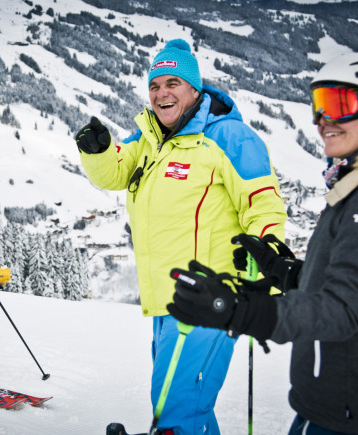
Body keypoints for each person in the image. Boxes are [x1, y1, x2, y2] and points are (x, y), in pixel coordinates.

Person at [167, 52, 358, 435]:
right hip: (339, 400)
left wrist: (240, 311)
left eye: (339, 104)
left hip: (348, 408)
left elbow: (343, 310)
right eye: (319, 106)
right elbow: (351, 286)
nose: (323, 120)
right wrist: (283, 271)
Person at [75, 39, 287, 434]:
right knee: (190, 407)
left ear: (194, 89)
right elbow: (115, 173)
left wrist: (267, 267)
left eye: (173, 83)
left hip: (213, 299)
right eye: (155, 86)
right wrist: (99, 151)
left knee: (176, 410)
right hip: (167, 300)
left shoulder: (229, 137)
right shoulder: (150, 139)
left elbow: (264, 205)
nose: (161, 93)